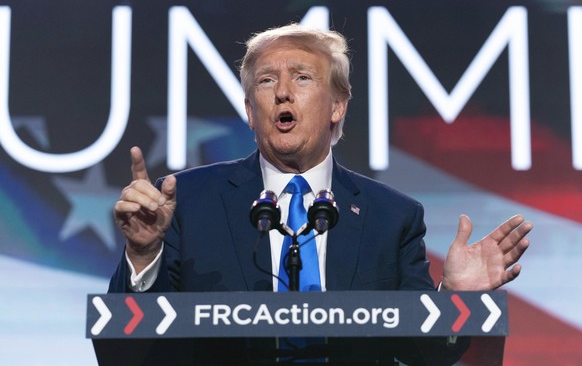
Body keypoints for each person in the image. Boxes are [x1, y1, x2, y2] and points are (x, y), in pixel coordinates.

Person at [108, 24, 532, 364]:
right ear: (250, 111)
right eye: (266, 80)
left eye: (302, 77)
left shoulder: (392, 216)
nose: (282, 92)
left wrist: (453, 299)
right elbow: (132, 352)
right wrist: (144, 258)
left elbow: (420, 353)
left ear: (337, 106)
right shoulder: (189, 201)